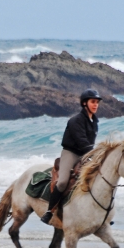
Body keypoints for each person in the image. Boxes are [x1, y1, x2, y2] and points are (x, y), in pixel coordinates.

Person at [41, 88, 101, 224]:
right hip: (71, 153)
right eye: (93, 102)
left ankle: (99, 214)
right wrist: (93, 154)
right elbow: (82, 141)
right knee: (62, 182)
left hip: (85, 154)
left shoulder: (94, 122)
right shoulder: (76, 120)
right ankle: (49, 212)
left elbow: (89, 143)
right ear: (85, 103)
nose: (96, 105)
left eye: (97, 102)